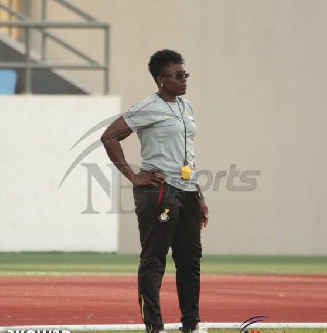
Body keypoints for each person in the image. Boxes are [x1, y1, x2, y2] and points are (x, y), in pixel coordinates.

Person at [100, 49, 209, 333]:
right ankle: (154, 326)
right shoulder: (147, 107)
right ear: (161, 80)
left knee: (190, 260)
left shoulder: (187, 107)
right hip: (159, 191)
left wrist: (198, 193)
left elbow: (188, 155)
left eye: (185, 74)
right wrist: (133, 176)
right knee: (154, 259)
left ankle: (191, 324)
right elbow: (109, 136)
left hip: (186, 191)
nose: (184, 79)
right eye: (178, 75)